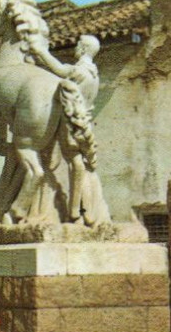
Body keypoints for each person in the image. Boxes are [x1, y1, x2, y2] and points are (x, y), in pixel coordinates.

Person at [23, 33, 111, 226]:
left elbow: (60, 69)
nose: (76, 47)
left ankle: (75, 211)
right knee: (77, 161)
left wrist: (41, 51)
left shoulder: (81, 70)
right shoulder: (94, 75)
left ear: (84, 49)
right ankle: (79, 210)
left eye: (79, 44)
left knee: (74, 161)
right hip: (84, 121)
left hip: (71, 121)